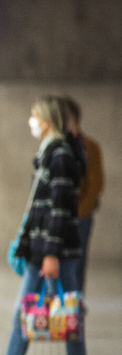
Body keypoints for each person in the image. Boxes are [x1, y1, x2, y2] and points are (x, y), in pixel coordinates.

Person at [0, 96, 91, 355]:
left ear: (47, 120)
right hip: (43, 252)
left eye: (34, 115)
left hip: (56, 254)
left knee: (68, 317)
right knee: (25, 317)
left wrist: (51, 253)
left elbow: (60, 211)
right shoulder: (49, 153)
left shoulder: (60, 155)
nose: (31, 120)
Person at [63, 97, 104, 292]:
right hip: (59, 218)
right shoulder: (58, 145)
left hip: (80, 218)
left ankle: (73, 313)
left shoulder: (89, 147)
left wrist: (78, 213)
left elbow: (96, 185)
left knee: (76, 268)